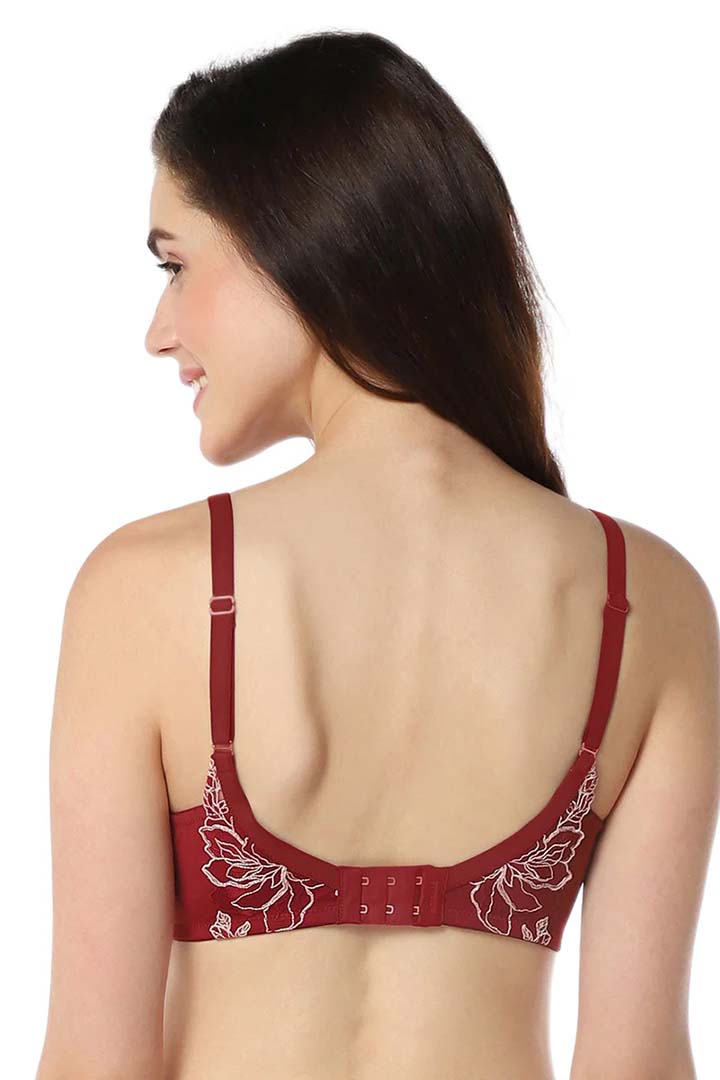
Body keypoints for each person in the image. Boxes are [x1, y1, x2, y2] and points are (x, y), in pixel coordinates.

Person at [35, 29, 718, 1080]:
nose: (158, 331)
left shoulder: (147, 589)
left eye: (175, 266)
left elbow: (95, 1064)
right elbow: (640, 1066)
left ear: (293, 237)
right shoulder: (648, 601)